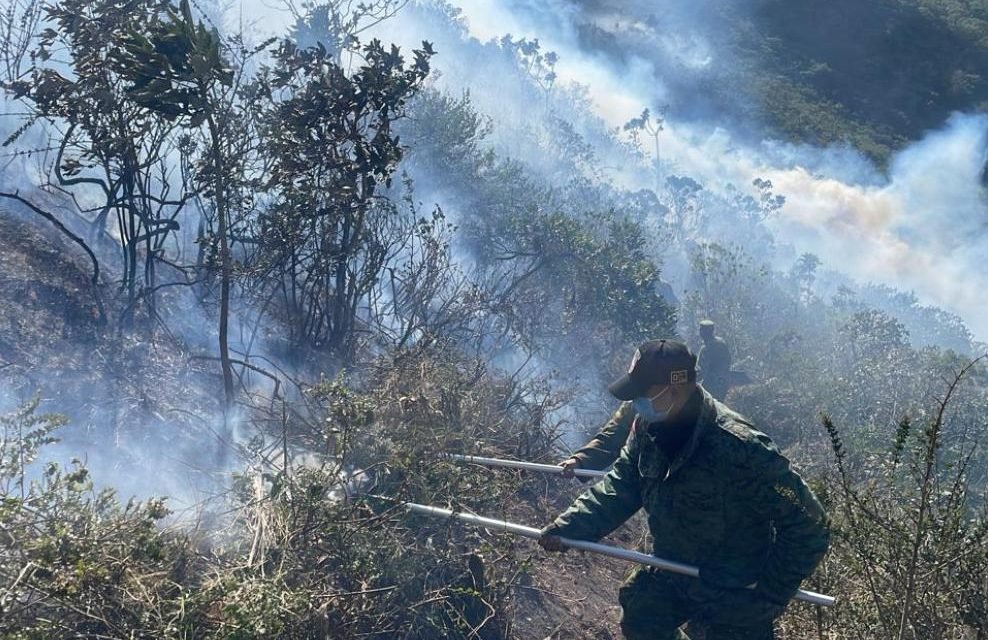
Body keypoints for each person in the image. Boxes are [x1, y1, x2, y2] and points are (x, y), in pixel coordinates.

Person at [539, 339, 830, 640]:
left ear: (675, 389)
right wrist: (572, 527)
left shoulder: (741, 448)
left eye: (643, 393)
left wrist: (770, 592)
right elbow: (620, 485)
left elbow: (810, 523)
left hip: (735, 588)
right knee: (642, 612)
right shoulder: (646, 429)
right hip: (674, 568)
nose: (636, 402)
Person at [697, 320, 732, 401]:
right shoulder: (721, 342)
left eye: (702, 330)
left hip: (711, 384)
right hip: (723, 381)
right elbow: (728, 361)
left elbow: (703, 370)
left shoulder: (706, 348)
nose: (700, 332)